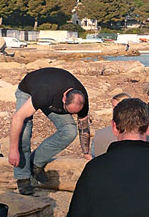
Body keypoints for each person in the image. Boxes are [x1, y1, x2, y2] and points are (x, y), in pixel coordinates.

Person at [8, 67, 91, 195]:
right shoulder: (45, 92)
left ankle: (35, 163)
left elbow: (83, 127)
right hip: (28, 90)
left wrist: (86, 152)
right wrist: (13, 150)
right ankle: (22, 177)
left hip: (49, 94)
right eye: (66, 110)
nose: (68, 114)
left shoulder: (81, 99)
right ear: (64, 98)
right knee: (24, 131)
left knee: (70, 131)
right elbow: (17, 118)